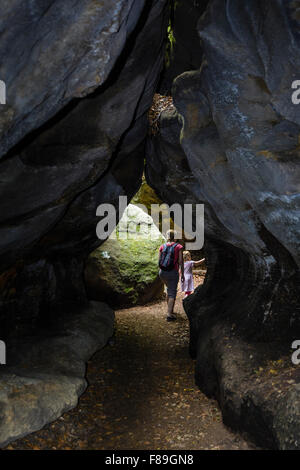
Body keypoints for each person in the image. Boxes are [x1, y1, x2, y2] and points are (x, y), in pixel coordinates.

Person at [158, 229, 184, 321]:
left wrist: (161, 272)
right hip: (173, 272)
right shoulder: (179, 247)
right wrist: (183, 274)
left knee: (168, 290)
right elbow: (180, 261)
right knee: (172, 292)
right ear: (176, 238)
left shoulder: (162, 246)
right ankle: (169, 314)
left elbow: (159, 261)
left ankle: (170, 309)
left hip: (162, 272)